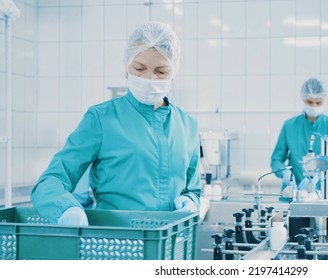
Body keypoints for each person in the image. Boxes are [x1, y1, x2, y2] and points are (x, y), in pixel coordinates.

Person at [31, 21, 201, 226]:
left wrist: (191, 200)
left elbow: (192, 189)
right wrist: (66, 210)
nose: (149, 78)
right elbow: (50, 181)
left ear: (174, 72)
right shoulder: (101, 119)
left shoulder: (187, 126)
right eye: (139, 68)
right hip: (116, 244)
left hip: (171, 245)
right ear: (126, 67)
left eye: (161, 71)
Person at [270, 77, 328, 194]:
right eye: (310, 102)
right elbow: (276, 159)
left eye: (318, 102)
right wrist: (285, 172)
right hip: (293, 191)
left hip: (322, 193)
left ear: (324, 100)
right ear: (303, 99)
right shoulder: (290, 126)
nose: (314, 106)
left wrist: (322, 178)